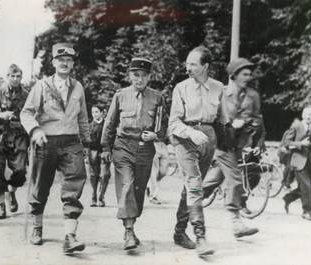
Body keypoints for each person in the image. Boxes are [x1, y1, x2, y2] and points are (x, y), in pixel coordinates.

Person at [20, 42, 90, 253]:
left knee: (74, 186)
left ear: (72, 64)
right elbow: (26, 113)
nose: (65, 64)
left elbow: (83, 117)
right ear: (53, 63)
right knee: (40, 186)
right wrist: (35, 130)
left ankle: (70, 236)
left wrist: (85, 142)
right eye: (61, 60)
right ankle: (37, 227)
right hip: (46, 141)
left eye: (68, 60)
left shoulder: (78, 87)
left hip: (71, 141)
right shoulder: (41, 85)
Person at [101, 57, 168, 250]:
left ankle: (130, 227)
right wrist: (105, 147)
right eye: (136, 75)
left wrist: (156, 135)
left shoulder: (157, 98)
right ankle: (128, 232)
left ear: (149, 77)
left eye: (144, 75)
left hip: (145, 150)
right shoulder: (120, 95)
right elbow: (110, 122)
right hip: (123, 147)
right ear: (130, 76)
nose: (139, 79)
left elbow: (164, 125)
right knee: (127, 185)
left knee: (138, 190)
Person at [167, 46, 229, 257]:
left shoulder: (219, 87)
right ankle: (201, 237)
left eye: (193, 64)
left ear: (206, 66)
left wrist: (226, 144)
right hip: (185, 139)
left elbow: (222, 119)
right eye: (187, 63)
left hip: (208, 139)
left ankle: (178, 232)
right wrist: (190, 133)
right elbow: (173, 122)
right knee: (194, 185)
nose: (188, 68)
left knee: (193, 188)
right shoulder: (181, 88)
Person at [202, 58, 261, 238]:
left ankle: (187, 202)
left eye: (250, 74)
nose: (248, 77)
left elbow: (258, 119)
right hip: (221, 144)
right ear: (233, 75)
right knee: (235, 179)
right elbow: (210, 119)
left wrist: (248, 125)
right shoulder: (222, 94)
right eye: (244, 74)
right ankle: (236, 223)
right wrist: (230, 125)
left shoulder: (253, 96)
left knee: (211, 183)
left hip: (237, 146)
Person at [0, 64, 30, 219]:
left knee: (20, 171)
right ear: (7, 76)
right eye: (12, 76)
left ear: (21, 78)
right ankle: (0, 205)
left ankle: (11, 192)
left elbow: (33, 113)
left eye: (18, 76)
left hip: (19, 136)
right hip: (0, 135)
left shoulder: (26, 95)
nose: (15, 79)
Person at [282, 105, 311, 221]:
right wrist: (301, 144)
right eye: (306, 114)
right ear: (302, 115)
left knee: (305, 187)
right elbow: (286, 142)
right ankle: (307, 212)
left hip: (310, 162)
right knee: (307, 187)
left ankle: (288, 198)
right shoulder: (296, 126)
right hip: (298, 161)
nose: (308, 116)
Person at [88, 105, 111, 207]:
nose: (94, 114)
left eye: (96, 112)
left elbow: (112, 138)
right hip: (93, 152)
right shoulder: (89, 126)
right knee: (93, 176)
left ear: (102, 113)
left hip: (105, 152)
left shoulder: (107, 125)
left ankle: (101, 197)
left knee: (105, 175)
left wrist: (109, 150)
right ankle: (93, 196)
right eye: (93, 112)